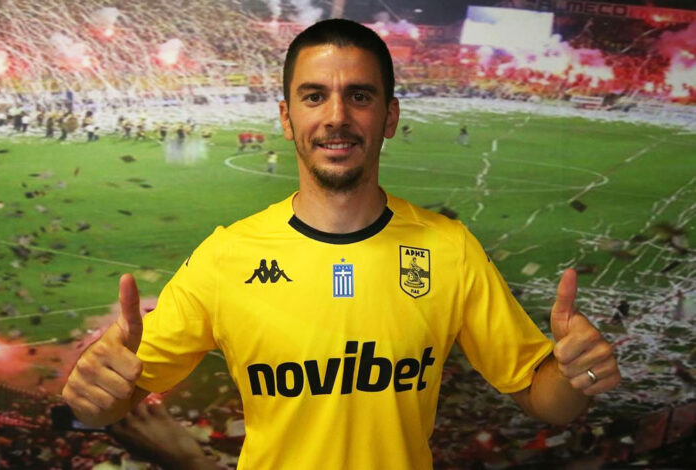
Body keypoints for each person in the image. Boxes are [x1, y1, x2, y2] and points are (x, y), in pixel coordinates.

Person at [63, 19, 620, 470]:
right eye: (314, 96)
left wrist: (579, 375)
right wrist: (95, 392)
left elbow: (544, 399)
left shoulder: (448, 248)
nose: (336, 117)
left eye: (359, 95)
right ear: (287, 118)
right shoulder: (227, 256)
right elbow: (114, 398)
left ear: (389, 116)